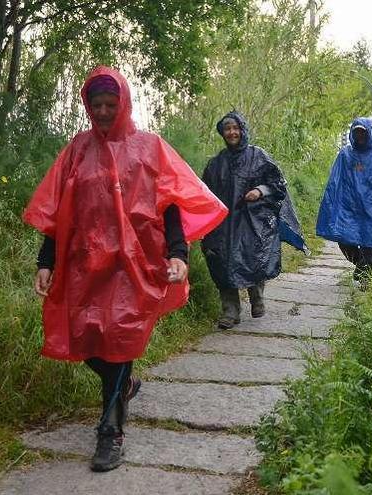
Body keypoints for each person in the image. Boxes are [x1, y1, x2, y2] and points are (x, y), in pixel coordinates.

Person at [23, 66, 227, 472]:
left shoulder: (149, 148)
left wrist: (178, 254)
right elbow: (59, 213)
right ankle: (125, 386)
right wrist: (46, 261)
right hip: (85, 265)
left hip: (135, 264)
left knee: (119, 342)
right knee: (85, 339)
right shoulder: (77, 150)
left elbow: (169, 205)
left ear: (124, 103)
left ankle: (110, 434)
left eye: (109, 104)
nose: (101, 112)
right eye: (95, 105)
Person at [200, 111, 307, 329]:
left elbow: (278, 185)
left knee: (253, 257)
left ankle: (257, 297)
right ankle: (230, 312)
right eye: (227, 129)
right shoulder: (216, 163)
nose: (231, 133)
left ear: (243, 130)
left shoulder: (259, 156)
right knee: (220, 261)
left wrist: (259, 190)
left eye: (235, 128)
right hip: (223, 224)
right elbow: (204, 194)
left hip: (253, 222)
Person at [316, 117, 372, 290]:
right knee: (344, 239)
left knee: (370, 243)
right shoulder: (346, 154)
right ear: (352, 133)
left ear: (369, 132)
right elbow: (335, 181)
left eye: (363, 131)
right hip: (350, 206)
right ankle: (363, 267)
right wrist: (333, 204)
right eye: (356, 132)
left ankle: (367, 278)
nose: (360, 135)